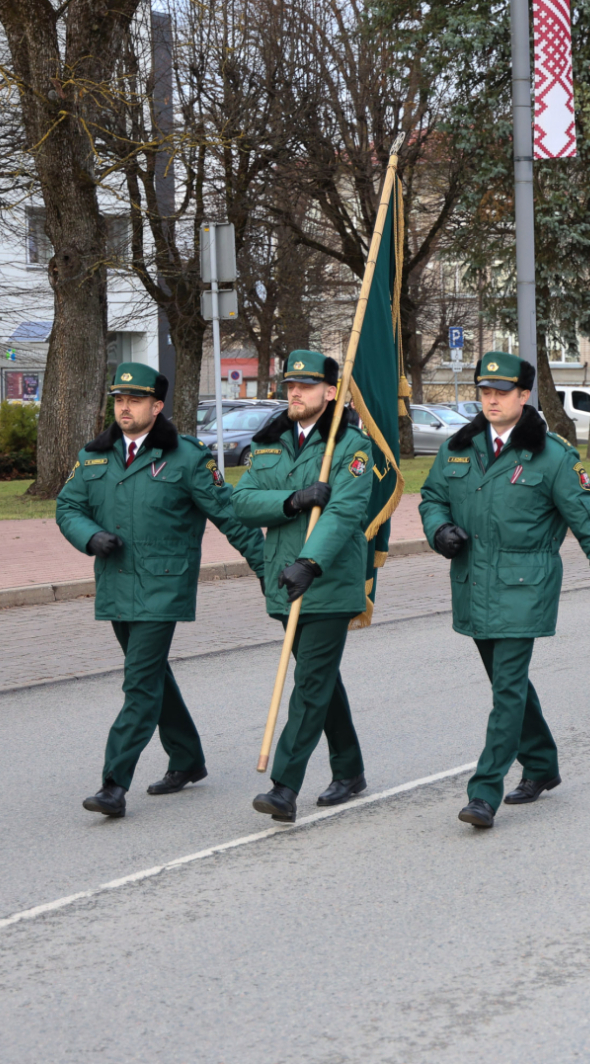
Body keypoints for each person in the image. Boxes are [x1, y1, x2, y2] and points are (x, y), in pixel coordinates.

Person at [419, 353, 590, 829]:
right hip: (473, 583)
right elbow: (432, 497)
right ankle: (541, 764)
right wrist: (439, 530)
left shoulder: (552, 455)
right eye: (485, 391)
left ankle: (483, 792)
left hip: (523, 588)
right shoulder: (460, 446)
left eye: (501, 391)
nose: (491, 400)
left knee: (508, 688)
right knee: (507, 685)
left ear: (523, 396)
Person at [56, 362, 265, 818]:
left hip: (163, 588)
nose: (124, 407)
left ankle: (114, 784)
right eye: (118, 400)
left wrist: (268, 570)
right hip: (115, 584)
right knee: (151, 676)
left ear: (156, 405)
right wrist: (89, 536)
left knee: (139, 682)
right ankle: (188, 760)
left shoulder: (188, 458)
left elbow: (231, 517)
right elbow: (67, 505)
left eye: (134, 400)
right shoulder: (95, 456)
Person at [233, 351, 375, 824]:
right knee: (322, 680)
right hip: (283, 583)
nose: (295, 392)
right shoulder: (270, 443)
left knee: (310, 683)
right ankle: (350, 770)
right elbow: (244, 503)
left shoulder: (349, 445)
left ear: (330, 392)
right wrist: (292, 500)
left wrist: (310, 563)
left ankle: (284, 786)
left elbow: (344, 512)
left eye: (308, 385)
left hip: (328, 583)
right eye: (291, 383)